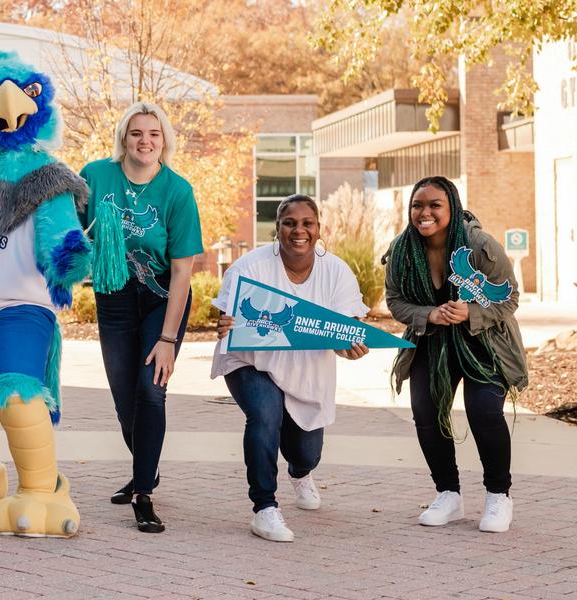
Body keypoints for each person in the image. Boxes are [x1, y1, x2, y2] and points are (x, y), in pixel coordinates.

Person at [211, 194, 370, 542]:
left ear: (318, 229)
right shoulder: (250, 267)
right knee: (266, 416)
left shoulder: (336, 271)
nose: (299, 231)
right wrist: (223, 323)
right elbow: (225, 317)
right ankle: (264, 508)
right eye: (290, 223)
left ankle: (300, 473)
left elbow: (346, 332)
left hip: (307, 369)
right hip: (251, 361)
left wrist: (352, 348)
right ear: (277, 229)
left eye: (307, 223)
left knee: (306, 452)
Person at [78, 102, 202, 533]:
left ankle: (144, 494)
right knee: (123, 399)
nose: (144, 141)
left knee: (151, 393)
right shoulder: (95, 176)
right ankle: (144, 466)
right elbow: (63, 226)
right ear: (123, 138)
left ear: (164, 140)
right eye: (136, 133)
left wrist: (168, 339)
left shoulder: (177, 190)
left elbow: (184, 268)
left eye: (153, 134)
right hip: (112, 296)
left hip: (161, 300)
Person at [383, 175, 527, 533]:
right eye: (418, 205)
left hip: (484, 342)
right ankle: (448, 494)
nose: (424, 212)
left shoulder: (478, 245)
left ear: (452, 207)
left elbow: (510, 297)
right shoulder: (401, 250)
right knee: (426, 414)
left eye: (434, 205)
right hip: (432, 340)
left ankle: (498, 496)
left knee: (483, 411)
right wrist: (427, 314)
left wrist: (470, 313)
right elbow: (395, 300)